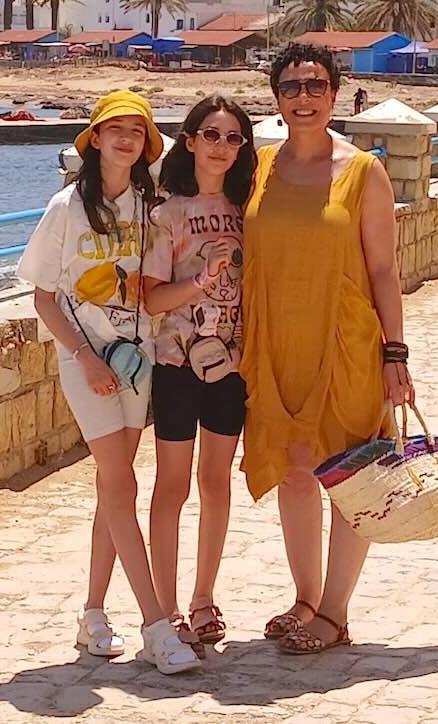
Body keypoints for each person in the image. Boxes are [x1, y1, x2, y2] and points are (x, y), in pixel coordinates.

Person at [17, 89, 201, 675]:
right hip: (86, 363)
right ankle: (156, 625)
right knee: (121, 485)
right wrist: (85, 357)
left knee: (113, 489)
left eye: (137, 131)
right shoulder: (66, 207)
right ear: (94, 138)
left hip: (135, 361)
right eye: (115, 129)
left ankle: (93, 612)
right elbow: (44, 297)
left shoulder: (149, 207)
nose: (126, 139)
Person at [241, 43, 416, 655]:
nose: (304, 97)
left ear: (335, 94)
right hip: (276, 342)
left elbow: (384, 270)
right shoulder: (260, 166)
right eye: (291, 87)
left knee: (350, 475)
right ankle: (306, 598)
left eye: (315, 85)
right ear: (277, 99)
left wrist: (395, 354)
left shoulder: (363, 171)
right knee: (294, 472)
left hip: (346, 341)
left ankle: (336, 613)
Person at [142, 95, 256, 657]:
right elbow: (152, 298)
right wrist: (201, 283)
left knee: (216, 481)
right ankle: (164, 609)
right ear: (189, 141)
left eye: (233, 137)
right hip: (175, 366)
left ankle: (204, 596)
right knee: (172, 486)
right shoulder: (166, 214)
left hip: (232, 368)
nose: (221, 146)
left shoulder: (249, 210)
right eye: (211, 135)